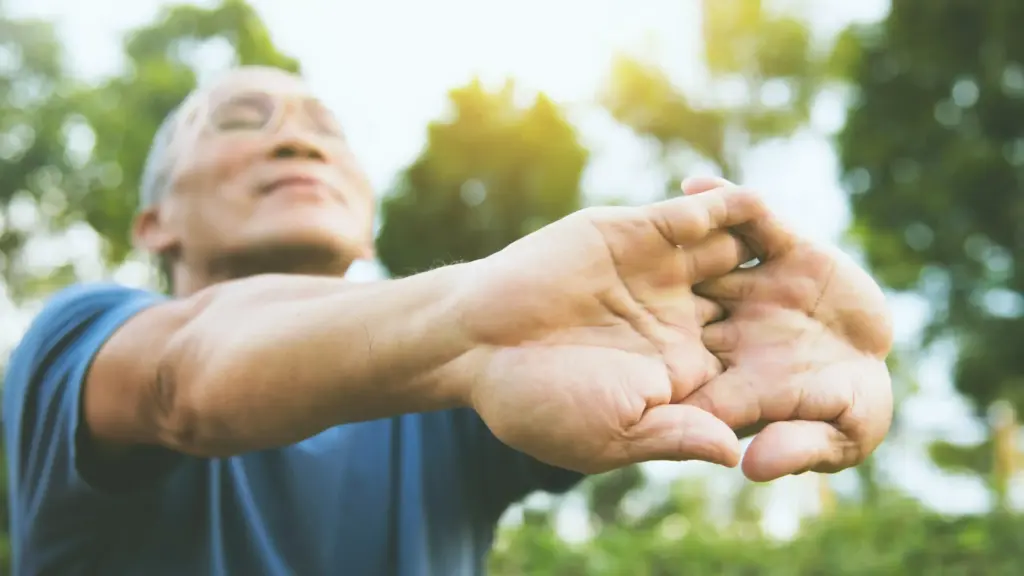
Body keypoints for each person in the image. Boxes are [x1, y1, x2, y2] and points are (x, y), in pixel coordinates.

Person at [2, 66, 894, 576]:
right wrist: (472, 316)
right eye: (242, 120)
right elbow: (181, 378)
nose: (298, 138)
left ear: (368, 221)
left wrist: (748, 338)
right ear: (154, 222)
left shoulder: (457, 401)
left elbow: (605, 368)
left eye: (326, 128)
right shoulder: (80, 338)